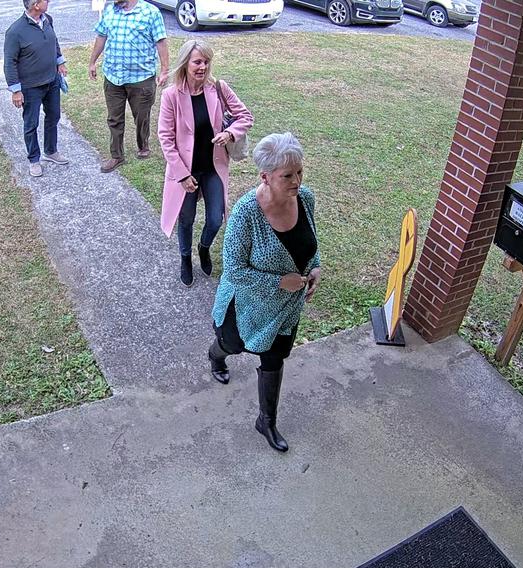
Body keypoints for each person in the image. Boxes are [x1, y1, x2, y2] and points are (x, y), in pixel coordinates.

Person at [208, 132, 321, 453]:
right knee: (230, 344)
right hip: (245, 306)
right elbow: (234, 270)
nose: (297, 181)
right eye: (287, 175)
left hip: (285, 309)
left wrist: (314, 267)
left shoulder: (306, 199)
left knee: (275, 359)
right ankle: (215, 357)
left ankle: (266, 421)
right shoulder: (246, 214)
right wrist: (277, 282)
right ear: (265, 177)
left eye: (300, 172)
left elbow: (310, 243)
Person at [157, 40, 254, 287]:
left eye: (206, 62)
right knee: (186, 219)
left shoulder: (218, 88)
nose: (203, 67)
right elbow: (165, 138)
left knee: (215, 219)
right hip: (186, 171)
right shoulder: (171, 95)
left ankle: (203, 247)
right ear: (185, 63)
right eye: (197, 62)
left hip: (212, 168)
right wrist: (181, 174)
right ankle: (185, 258)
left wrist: (230, 133)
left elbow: (246, 116)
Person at [88, 0, 169, 173]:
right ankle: (117, 155)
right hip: (113, 76)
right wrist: (92, 61)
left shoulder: (151, 12)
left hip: (141, 77)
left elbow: (161, 42)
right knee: (114, 118)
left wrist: (164, 70)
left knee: (141, 116)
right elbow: (101, 36)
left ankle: (143, 145)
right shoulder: (110, 11)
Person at [3, 0, 69, 178]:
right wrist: (16, 90)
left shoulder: (47, 19)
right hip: (31, 87)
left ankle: (51, 151)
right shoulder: (15, 32)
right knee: (31, 124)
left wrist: (60, 61)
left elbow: (53, 42)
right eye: (45, 0)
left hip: (52, 80)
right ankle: (34, 159)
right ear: (35, 5)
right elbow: (9, 62)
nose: (49, 1)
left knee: (53, 116)